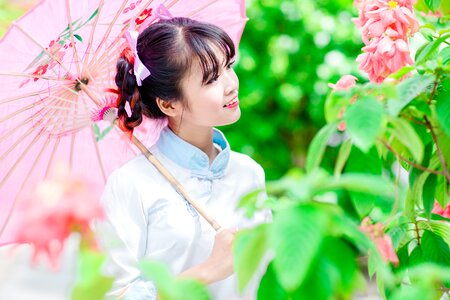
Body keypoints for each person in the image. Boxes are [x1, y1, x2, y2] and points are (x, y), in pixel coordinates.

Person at [96, 17, 269, 300]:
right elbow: (113, 295)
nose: (230, 85)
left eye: (228, 67)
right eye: (212, 79)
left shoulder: (249, 172)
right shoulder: (131, 185)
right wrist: (208, 271)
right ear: (168, 104)